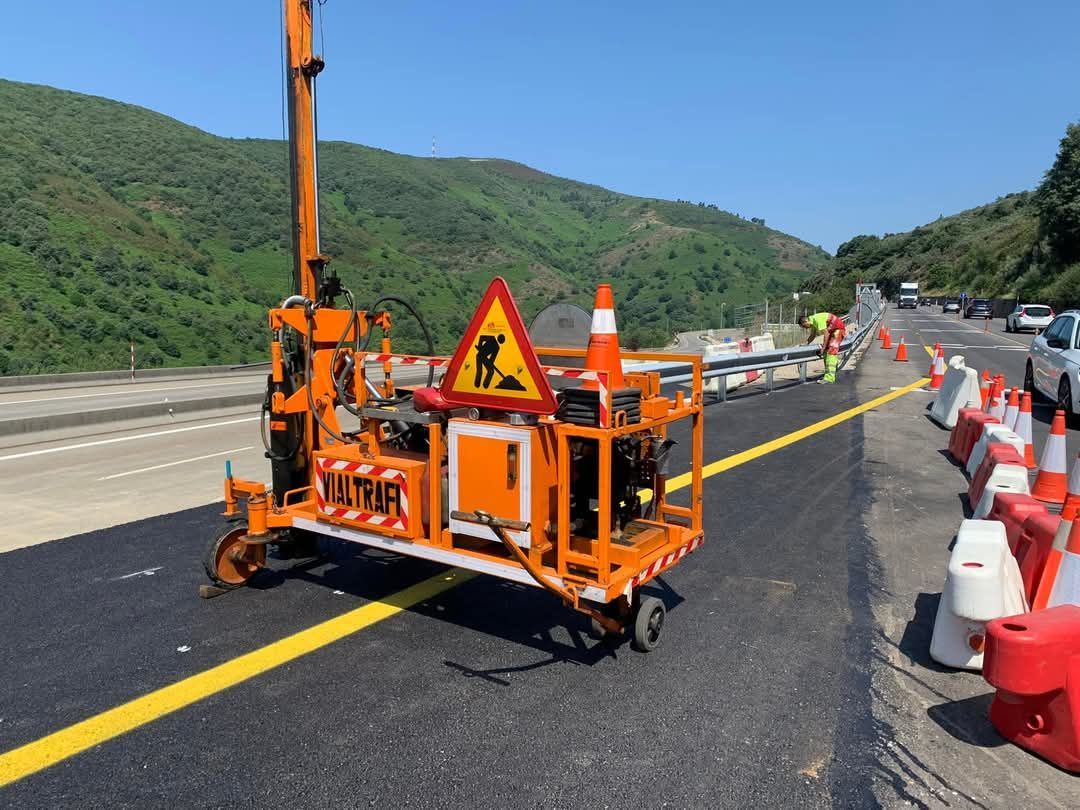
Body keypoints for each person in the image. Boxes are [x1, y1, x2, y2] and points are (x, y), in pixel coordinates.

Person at [799, 312, 846, 384]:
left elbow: (826, 334)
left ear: (805, 321)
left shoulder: (817, 319)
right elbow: (813, 335)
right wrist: (806, 344)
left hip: (838, 330)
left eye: (804, 326)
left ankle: (829, 378)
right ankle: (829, 374)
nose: (806, 328)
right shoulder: (813, 321)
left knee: (831, 352)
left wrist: (823, 348)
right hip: (833, 331)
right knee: (826, 353)